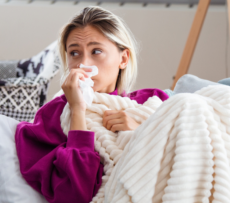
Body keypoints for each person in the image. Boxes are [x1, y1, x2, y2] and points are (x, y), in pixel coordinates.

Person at [15, 6, 169, 203]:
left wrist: (143, 131)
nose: (83, 64)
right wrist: (78, 110)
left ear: (123, 59)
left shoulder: (152, 101)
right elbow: (75, 195)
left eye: (96, 51)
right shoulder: (48, 120)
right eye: (74, 53)